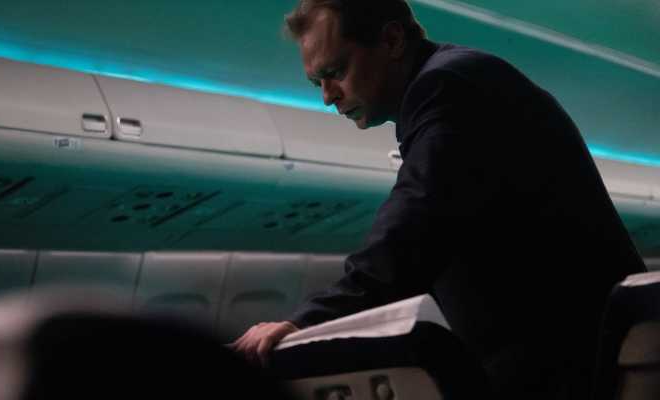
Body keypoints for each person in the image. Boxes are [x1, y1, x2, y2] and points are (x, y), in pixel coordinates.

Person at [231, 1, 647, 399]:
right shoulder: (456, 83)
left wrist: (304, 324)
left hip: (574, 364)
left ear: (392, 40)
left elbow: (411, 231)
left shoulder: (447, 88)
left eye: (335, 71)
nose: (327, 95)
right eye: (316, 82)